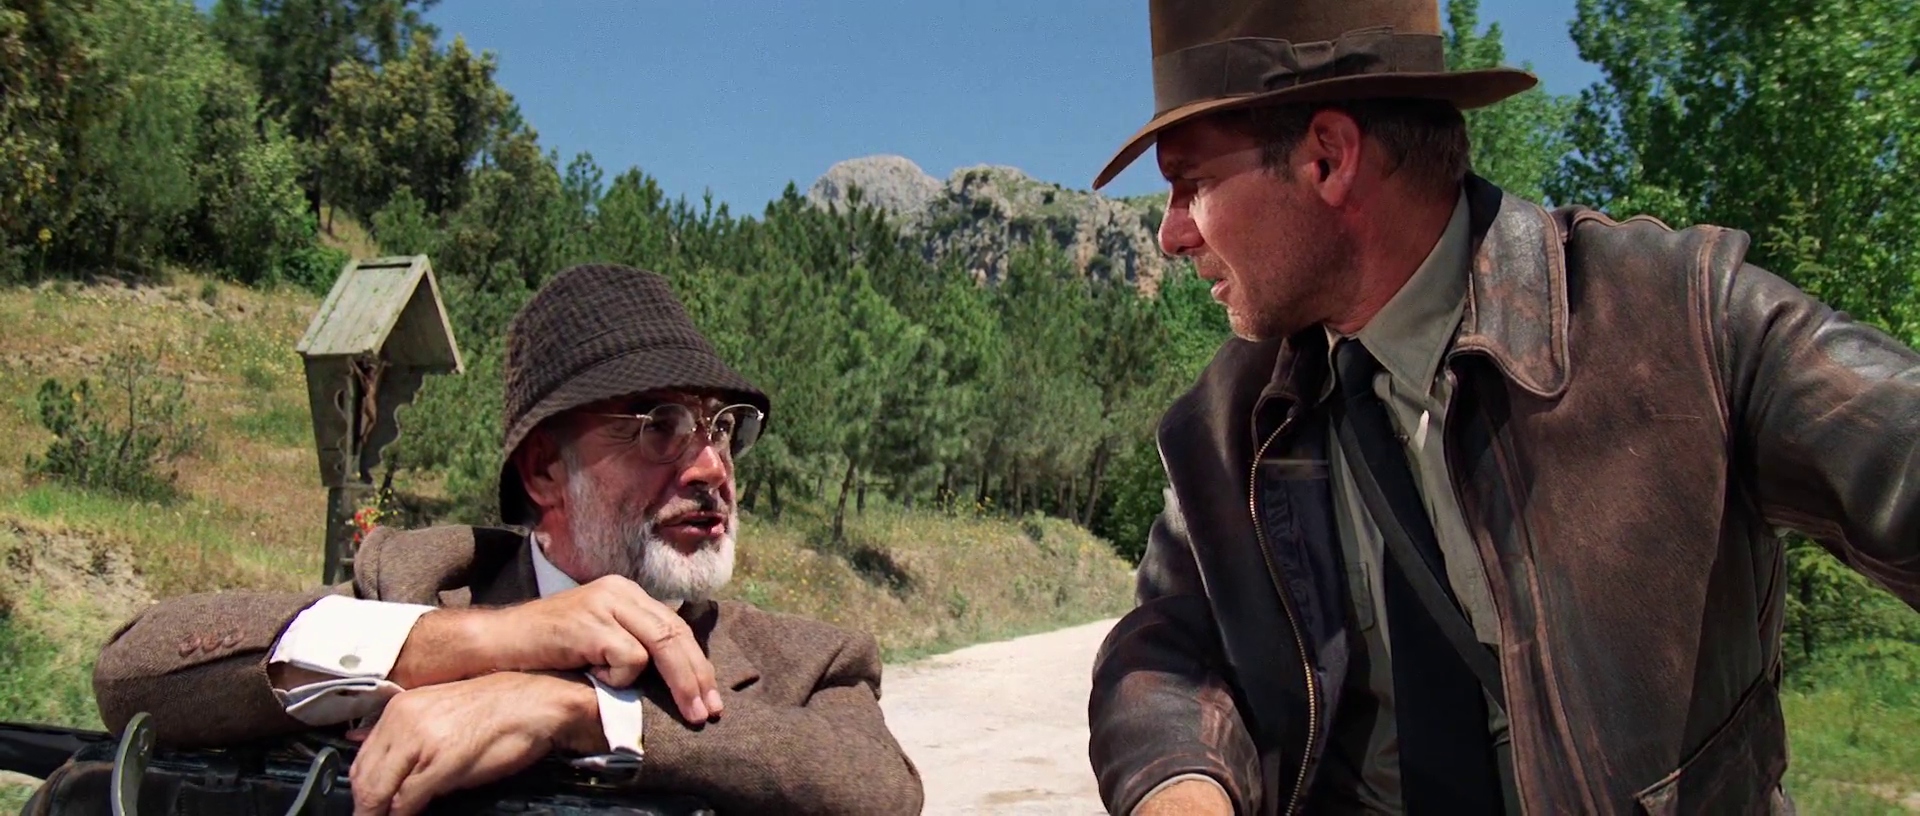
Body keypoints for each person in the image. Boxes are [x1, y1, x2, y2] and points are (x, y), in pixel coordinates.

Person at [1083, 1, 1920, 815]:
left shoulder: (1681, 320)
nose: (1171, 235)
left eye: (1192, 184)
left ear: (1328, 159)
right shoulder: (1222, 427)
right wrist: (1183, 791)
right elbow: (1163, 650)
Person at [85, 263, 925, 816]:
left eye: (722, 427)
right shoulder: (423, 581)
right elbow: (134, 673)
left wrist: (578, 711)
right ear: (544, 471)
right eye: (661, 426)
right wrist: (490, 642)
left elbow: (881, 788)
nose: (712, 465)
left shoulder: (805, 661)